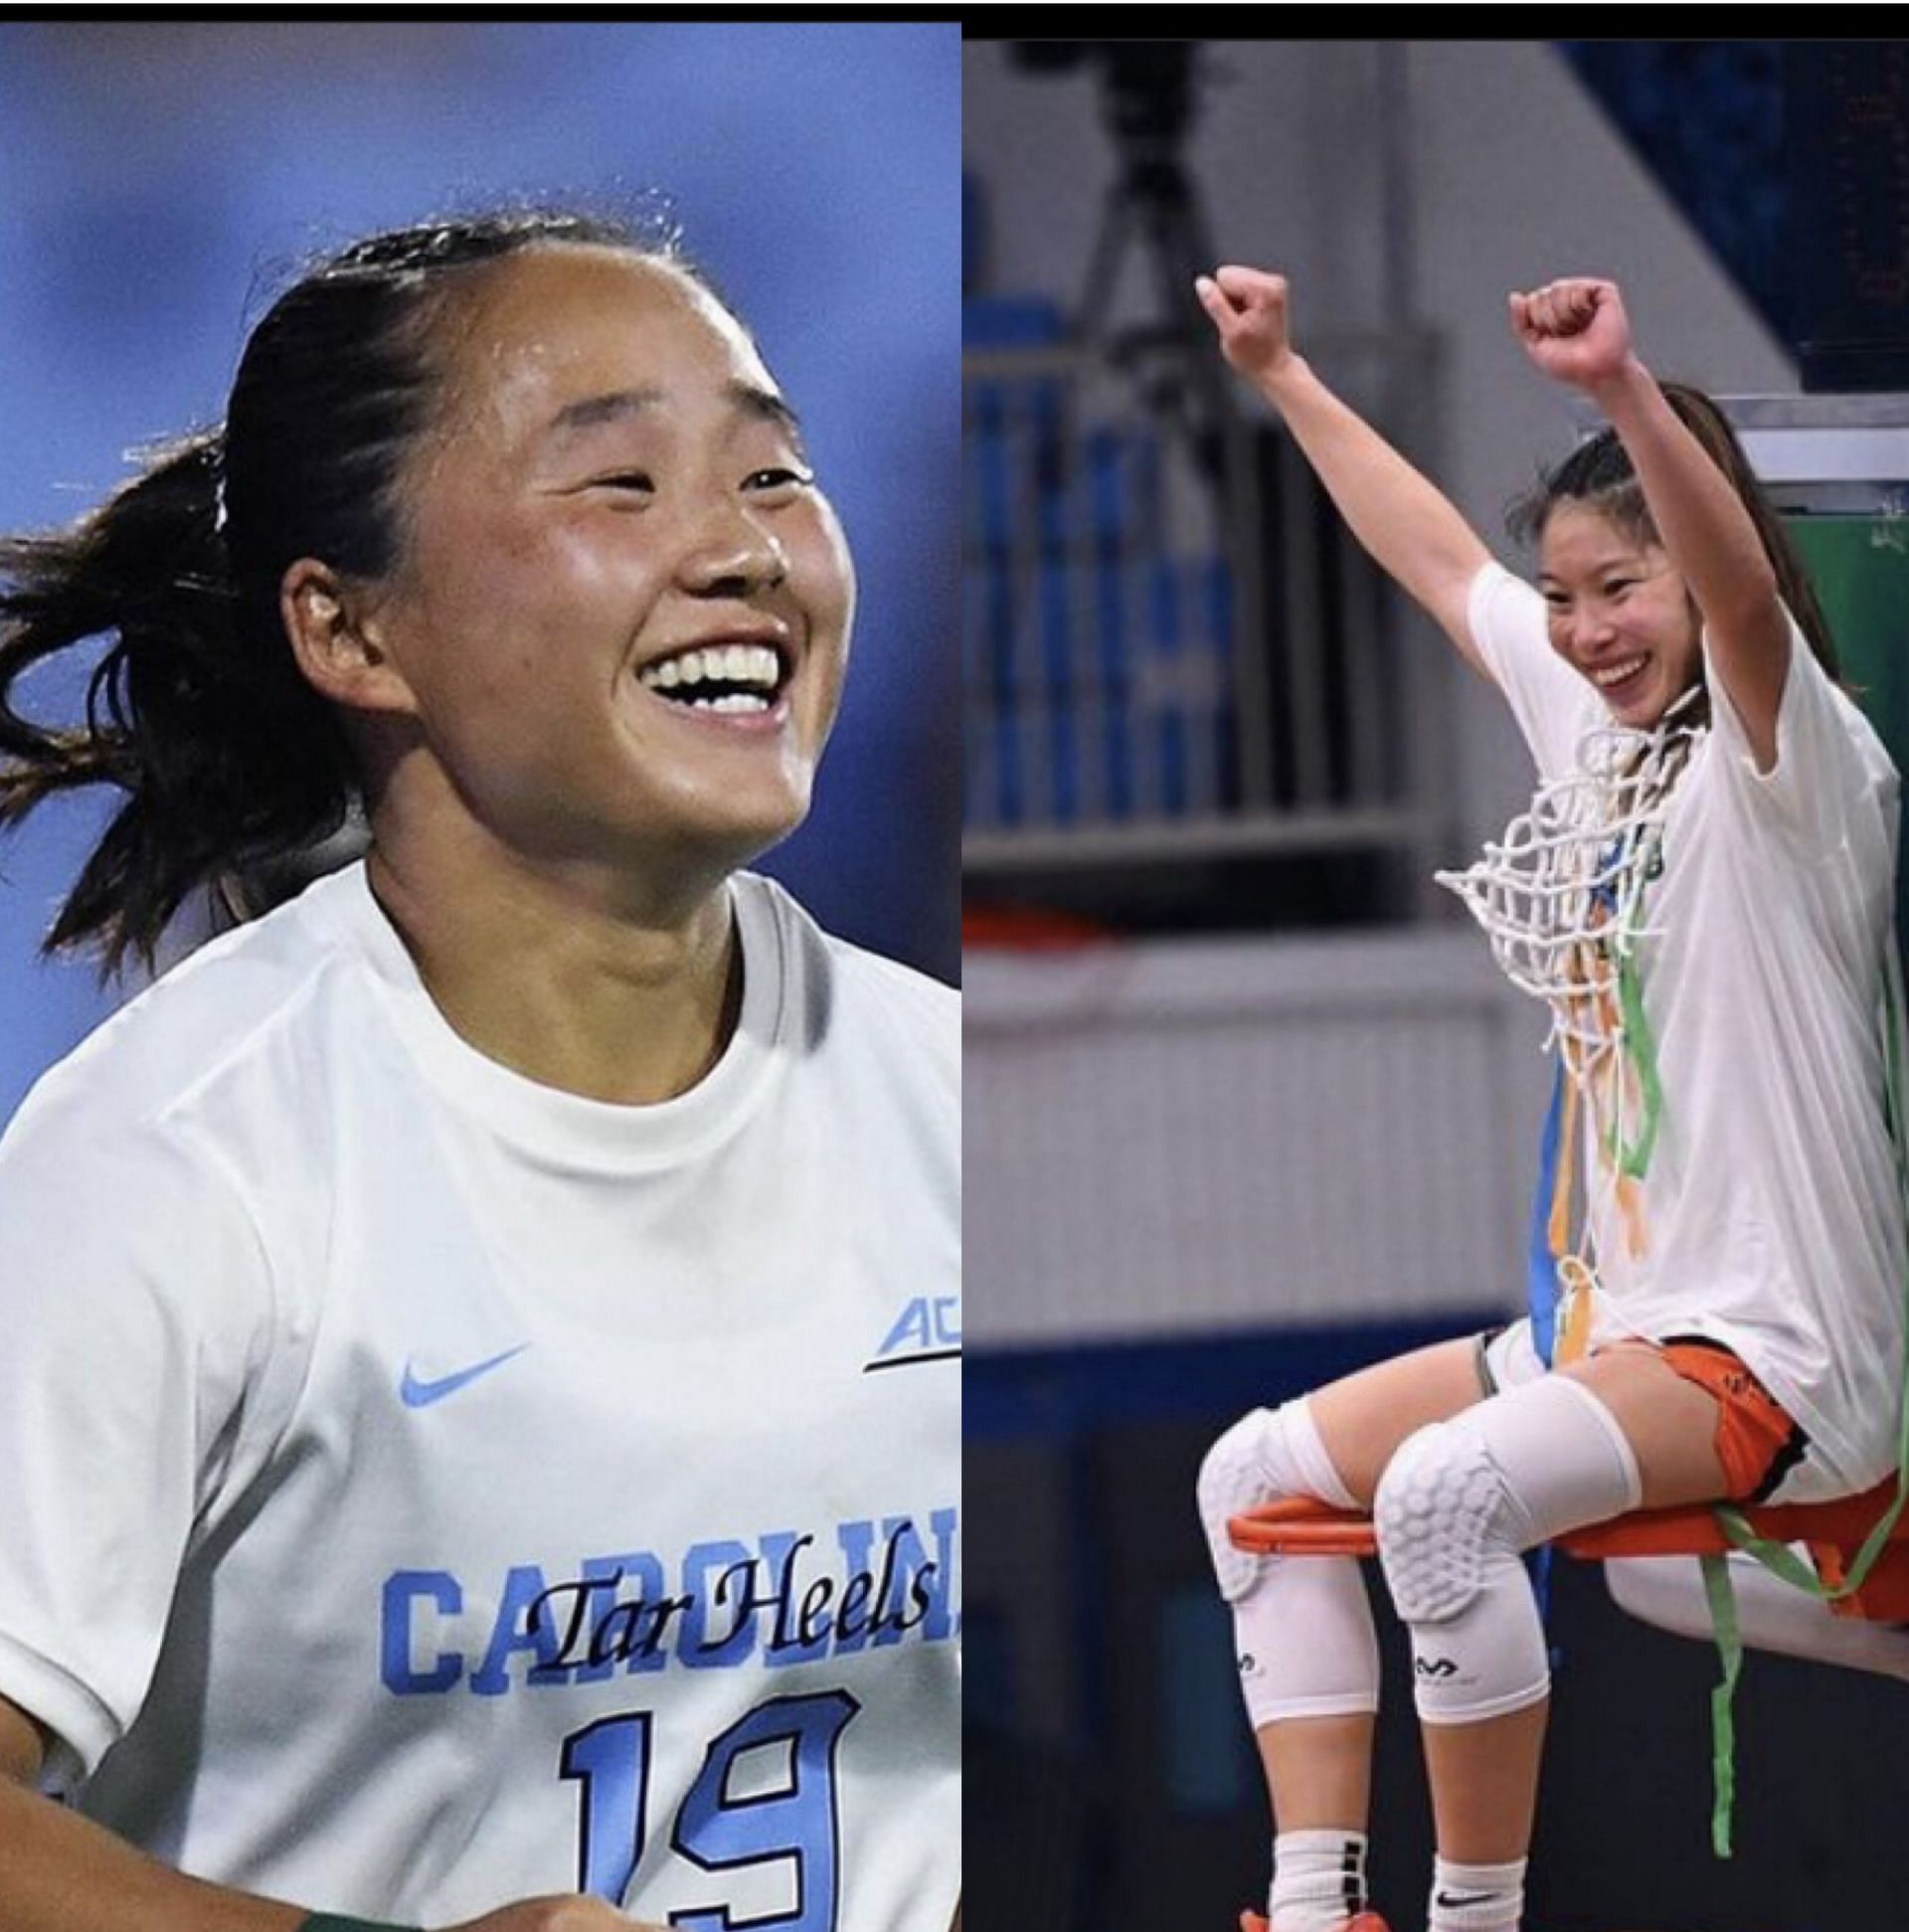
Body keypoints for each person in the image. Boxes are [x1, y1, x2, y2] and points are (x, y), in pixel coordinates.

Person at [0, 208, 959, 1932]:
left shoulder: (955, 1098)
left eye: (772, 477)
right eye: (621, 486)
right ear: (350, 632)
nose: (744, 552)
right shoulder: (180, 1161)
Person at [1192, 264, 1905, 1932]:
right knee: (1254, 1477)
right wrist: (1285, 370)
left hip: (1780, 1342)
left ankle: (1477, 1916)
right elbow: (1439, 557)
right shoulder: (1589, 731)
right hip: (1621, 1331)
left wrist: (1622, 392)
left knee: (1443, 1494)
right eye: (1567, 595)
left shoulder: (1796, 759)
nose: (1585, 629)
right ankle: (1316, 1908)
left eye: (1620, 588)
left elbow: (1735, 602)